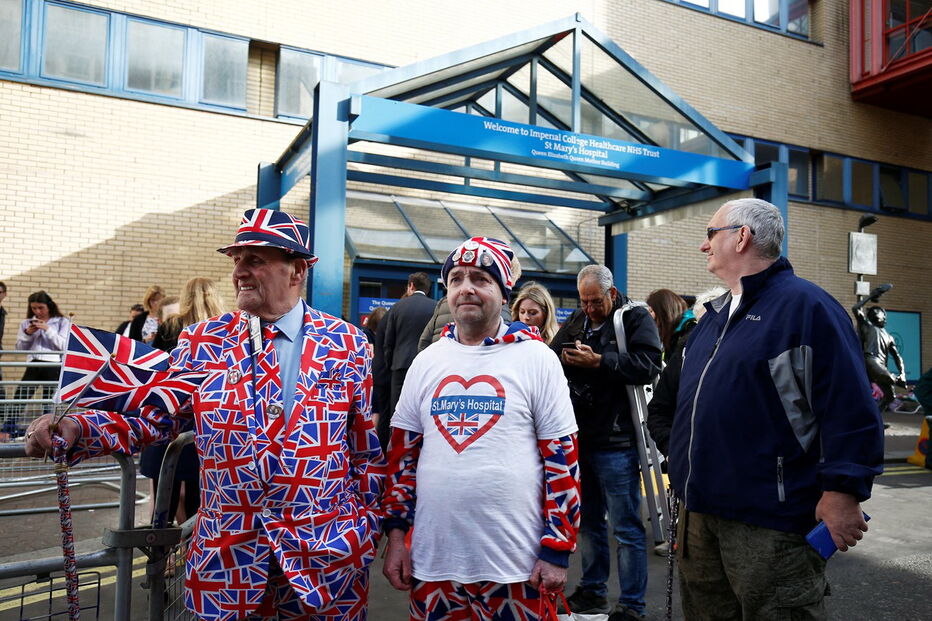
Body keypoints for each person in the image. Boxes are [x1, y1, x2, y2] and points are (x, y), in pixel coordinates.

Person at [26, 208, 383, 621]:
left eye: (255, 260)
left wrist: (365, 528)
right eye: (236, 261)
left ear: (297, 270)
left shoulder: (347, 342)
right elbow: (155, 417)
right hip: (228, 561)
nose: (240, 272)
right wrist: (77, 426)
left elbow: (363, 447)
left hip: (327, 559)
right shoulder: (203, 340)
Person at [668, 198, 884, 620]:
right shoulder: (710, 319)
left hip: (770, 523)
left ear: (742, 237)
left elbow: (850, 407)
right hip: (699, 514)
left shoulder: (806, 309)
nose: (703, 246)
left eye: (710, 234)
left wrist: (843, 492)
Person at [382, 236, 580, 620]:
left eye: (480, 279)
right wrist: (395, 537)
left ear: (504, 293)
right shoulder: (427, 362)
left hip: (516, 567)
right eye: (456, 279)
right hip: (433, 565)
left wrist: (557, 549)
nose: (466, 287)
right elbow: (402, 458)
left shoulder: (537, 358)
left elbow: (563, 460)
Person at [550, 265, 662, 621]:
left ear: (612, 294)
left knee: (627, 527)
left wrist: (599, 361)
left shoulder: (634, 317)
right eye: (584, 302)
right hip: (582, 435)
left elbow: (649, 363)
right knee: (590, 522)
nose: (590, 309)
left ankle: (632, 605)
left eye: (595, 301)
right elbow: (551, 356)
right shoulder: (578, 321)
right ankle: (594, 592)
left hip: (617, 440)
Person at [144, 278, 225, 526]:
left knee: (163, 501)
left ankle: (161, 559)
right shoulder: (226, 328)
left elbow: (156, 370)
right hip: (208, 418)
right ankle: (192, 552)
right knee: (198, 500)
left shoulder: (171, 325)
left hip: (172, 413)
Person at [646, 286, 726, 457]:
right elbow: (659, 409)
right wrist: (672, 451)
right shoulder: (684, 350)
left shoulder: (741, 361)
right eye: (703, 325)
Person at [377, 272, 436, 449]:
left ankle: (396, 453)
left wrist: (390, 364)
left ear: (411, 285)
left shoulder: (397, 307)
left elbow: (388, 342)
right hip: (426, 369)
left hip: (400, 367)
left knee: (399, 413)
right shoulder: (434, 307)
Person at [5, 291, 70, 437]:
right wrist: (28, 333)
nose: (37, 311)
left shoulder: (62, 322)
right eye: (34, 308)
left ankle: (50, 430)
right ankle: (8, 428)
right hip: (34, 363)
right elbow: (20, 349)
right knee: (20, 396)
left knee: (48, 400)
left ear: (49, 306)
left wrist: (47, 330)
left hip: (53, 364)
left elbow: (64, 346)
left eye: (41, 308)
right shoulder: (26, 323)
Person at [852, 303, 906, 413]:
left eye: (878, 312)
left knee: (890, 396)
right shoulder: (867, 326)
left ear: (884, 317)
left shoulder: (889, 337)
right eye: (873, 312)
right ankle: (897, 380)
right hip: (870, 360)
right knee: (891, 378)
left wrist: (903, 373)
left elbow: (897, 356)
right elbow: (855, 308)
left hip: (881, 366)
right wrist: (873, 294)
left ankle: (875, 419)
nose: (875, 313)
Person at [644, 288, 688, 359]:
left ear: (664, 311)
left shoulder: (686, 335)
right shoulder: (673, 335)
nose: (649, 316)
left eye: (651, 311)